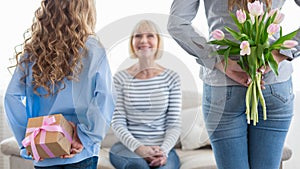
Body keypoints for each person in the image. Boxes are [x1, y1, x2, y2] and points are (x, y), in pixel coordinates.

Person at [168, 0, 300, 169]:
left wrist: (219, 60)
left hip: (222, 88)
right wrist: (280, 53)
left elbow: (177, 23)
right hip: (274, 85)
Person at [4, 0, 116, 169]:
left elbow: (11, 97)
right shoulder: (92, 49)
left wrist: (28, 140)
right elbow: (105, 96)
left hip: (44, 149)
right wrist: (86, 136)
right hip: (79, 152)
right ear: (86, 11)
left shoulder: (33, 51)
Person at [109, 20, 182, 169]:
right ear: (132, 43)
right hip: (128, 149)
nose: (143, 40)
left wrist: (163, 151)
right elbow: (117, 123)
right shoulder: (120, 79)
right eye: (138, 36)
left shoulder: (172, 78)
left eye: (150, 35)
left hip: (162, 148)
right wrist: (140, 149)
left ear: (158, 42)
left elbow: (174, 124)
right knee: (138, 166)